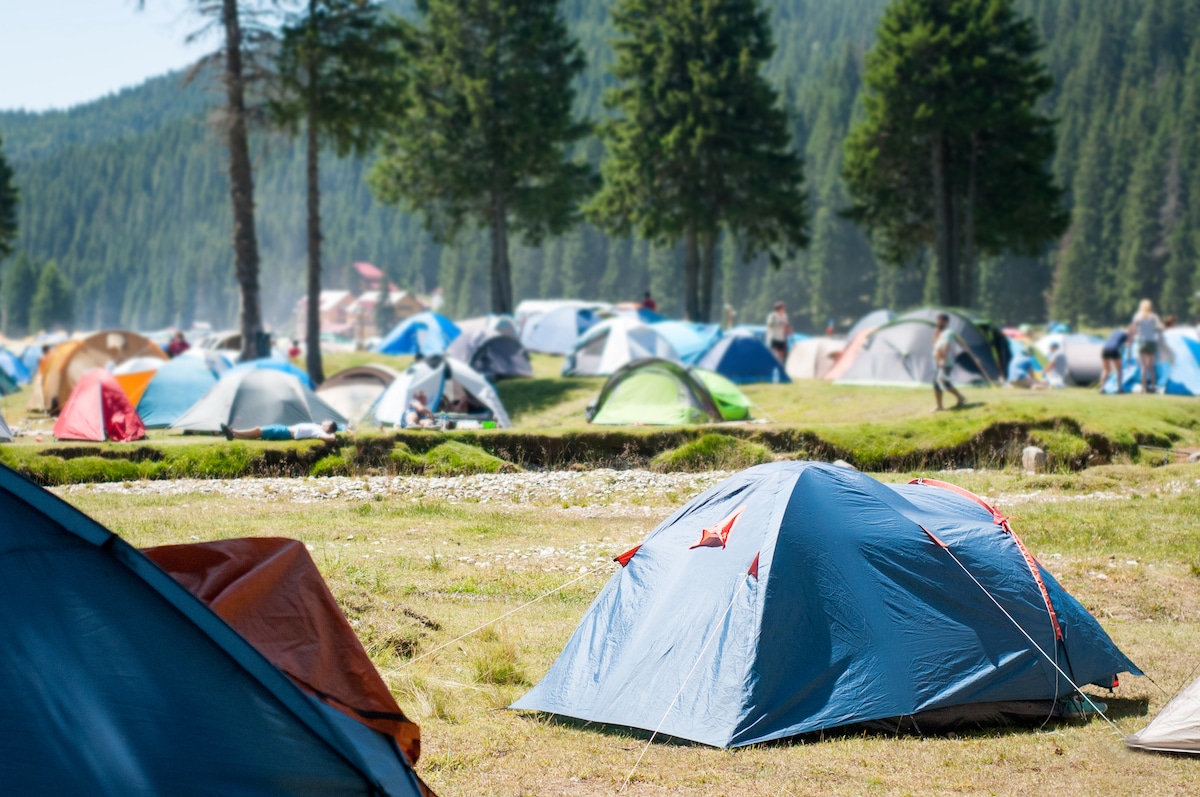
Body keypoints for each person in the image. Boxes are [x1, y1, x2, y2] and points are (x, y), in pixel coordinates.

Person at [1128, 299, 1167, 393]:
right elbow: (1161, 327)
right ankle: (1153, 387)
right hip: (1151, 343)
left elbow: (1132, 328)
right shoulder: (1153, 316)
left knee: (1143, 367)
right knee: (1151, 367)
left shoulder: (1138, 316)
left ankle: (1144, 388)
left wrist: (1136, 331)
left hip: (1141, 343)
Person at [932, 313, 967, 411]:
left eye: (939, 321)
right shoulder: (942, 333)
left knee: (941, 382)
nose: (937, 323)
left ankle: (958, 398)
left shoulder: (948, 333)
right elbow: (936, 345)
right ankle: (958, 398)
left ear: (945, 322)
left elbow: (947, 347)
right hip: (939, 361)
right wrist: (936, 335)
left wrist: (942, 360)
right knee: (940, 382)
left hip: (945, 362)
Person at [221, 419, 338, 443]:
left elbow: (331, 438)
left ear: (328, 427)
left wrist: (331, 434)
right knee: (258, 434)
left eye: (328, 422)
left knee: (258, 430)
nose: (325, 420)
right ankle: (233, 435)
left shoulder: (320, 432)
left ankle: (233, 431)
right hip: (284, 429)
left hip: (285, 432)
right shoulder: (318, 427)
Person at [1099, 327, 1127, 393]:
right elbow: (1126, 345)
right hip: (1114, 349)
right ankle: (1119, 388)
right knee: (1119, 370)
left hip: (1105, 349)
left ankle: (1102, 388)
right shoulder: (1126, 335)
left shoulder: (1116, 331)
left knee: (1106, 369)